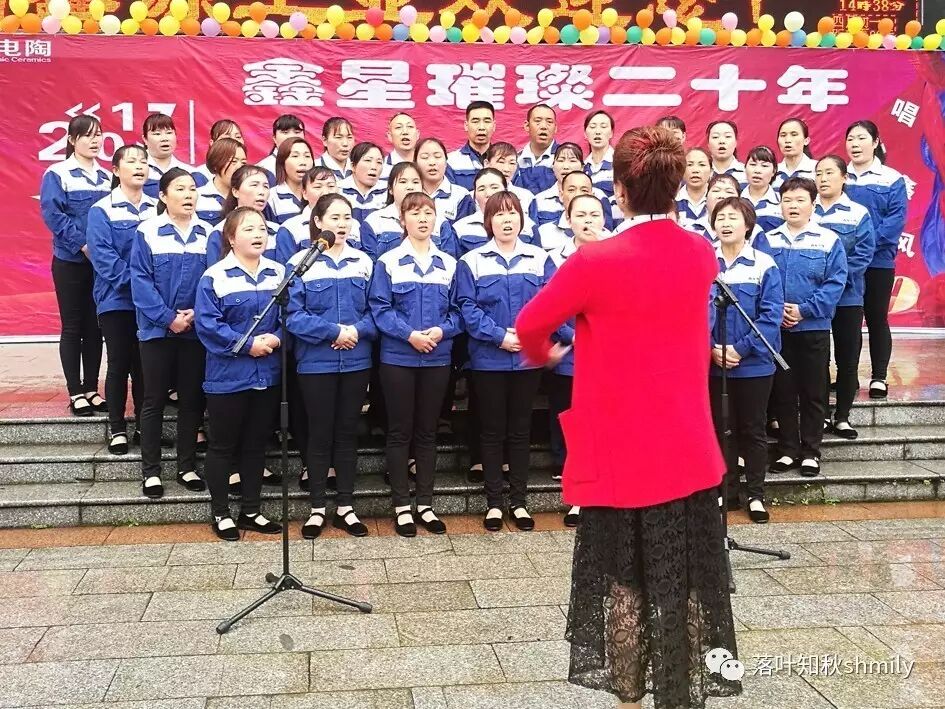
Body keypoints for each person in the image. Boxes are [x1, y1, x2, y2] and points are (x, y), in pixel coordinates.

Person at [515, 125, 741, 709]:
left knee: (623, 582)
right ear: (676, 187)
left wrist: (548, 353)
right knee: (686, 582)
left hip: (621, 452)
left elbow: (531, 324)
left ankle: (630, 696)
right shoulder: (700, 253)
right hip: (687, 448)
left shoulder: (595, 261)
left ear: (618, 190)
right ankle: (680, 691)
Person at [457, 190, 554, 532]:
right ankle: (494, 503)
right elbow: (467, 307)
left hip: (527, 358)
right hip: (489, 359)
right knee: (492, 429)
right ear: (489, 221)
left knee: (520, 430)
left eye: (512, 213)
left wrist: (526, 334)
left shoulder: (539, 258)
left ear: (522, 219)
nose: (507, 219)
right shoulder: (472, 261)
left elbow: (550, 301)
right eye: (499, 214)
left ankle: (519, 502)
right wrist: (499, 336)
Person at [369, 192, 461, 537]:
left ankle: (425, 503)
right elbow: (380, 309)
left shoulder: (449, 263)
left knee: (427, 431)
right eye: (415, 212)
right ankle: (401, 507)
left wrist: (441, 330)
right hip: (398, 358)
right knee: (399, 431)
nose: (423, 219)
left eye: (428, 213)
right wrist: (409, 335)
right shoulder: (388, 261)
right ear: (402, 220)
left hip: (437, 357)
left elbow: (458, 311)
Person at [286, 194, 376, 539]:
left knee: (347, 431)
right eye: (334, 217)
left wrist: (355, 331)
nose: (342, 224)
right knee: (320, 432)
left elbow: (376, 310)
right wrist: (333, 332)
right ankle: (317, 508)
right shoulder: (300, 262)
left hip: (356, 360)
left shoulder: (363, 262)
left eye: (347, 217)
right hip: (316, 363)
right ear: (318, 221)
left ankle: (346, 507)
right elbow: (293, 316)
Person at [194, 207, 283, 541]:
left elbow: (290, 317)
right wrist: (247, 346)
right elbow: (208, 325)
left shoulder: (278, 273)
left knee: (255, 445)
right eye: (248, 229)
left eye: (261, 229)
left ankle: (251, 510)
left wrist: (276, 339)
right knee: (223, 446)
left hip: (267, 374)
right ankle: (221, 513)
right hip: (228, 377)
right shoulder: (215, 276)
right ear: (231, 238)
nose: (258, 234)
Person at [130, 167, 210, 499]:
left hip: (194, 331)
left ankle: (186, 466)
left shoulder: (208, 233)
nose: (189, 194)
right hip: (157, 331)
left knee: (192, 400)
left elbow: (213, 281)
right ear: (163, 196)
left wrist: (196, 314)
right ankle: (151, 472)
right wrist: (167, 318)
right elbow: (140, 281)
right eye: (180, 188)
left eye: (192, 188)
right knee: (154, 399)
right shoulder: (148, 231)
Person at [765, 177, 848, 478]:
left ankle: (811, 451)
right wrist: (777, 311)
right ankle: (788, 448)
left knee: (813, 391)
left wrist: (804, 310)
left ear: (813, 205)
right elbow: (763, 281)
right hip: (778, 330)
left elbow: (836, 282)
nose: (793, 206)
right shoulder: (768, 240)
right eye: (787, 200)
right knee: (783, 391)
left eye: (800, 200)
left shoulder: (828, 240)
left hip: (813, 328)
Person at [708, 197, 783, 524]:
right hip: (713, 363)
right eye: (720, 218)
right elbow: (692, 312)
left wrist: (740, 349)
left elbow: (771, 315)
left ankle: (755, 494)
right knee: (720, 430)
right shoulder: (705, 263)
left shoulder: (764, 264)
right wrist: (710, 347)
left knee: (753, 429)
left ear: (748, 225)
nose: (725, 223)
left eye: (733, 218)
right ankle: (725, 492)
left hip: (754, 364)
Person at [86, 144, 156, 454]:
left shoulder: (157, 208)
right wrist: (141, 286)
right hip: (116, 299)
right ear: (115, 170)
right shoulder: (102, 209)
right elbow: (104, 258)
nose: (139, 166)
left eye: (143, 161)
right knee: (119, 362)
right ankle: (117, 428)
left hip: (149, 303)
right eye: (131, 161)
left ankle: (143, 428)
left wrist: (152, 294)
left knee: (144, 365)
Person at [40, 115, 111, 417]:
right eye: (87, 135)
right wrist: (82, 244)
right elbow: (53, 214)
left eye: (98, 135)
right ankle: (75, 392)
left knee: (95, 326)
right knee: (72, 325)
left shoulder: (106, 176)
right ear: (72, 140)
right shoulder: (58, 173)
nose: (95, 141)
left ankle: (92, 388)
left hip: (100, 264)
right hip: (70, 261)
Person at [547, 192, 611, 528]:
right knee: (575, 424)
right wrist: (576, 336)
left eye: (594, 214)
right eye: (581, 215)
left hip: (608, 355)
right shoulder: (556, 258)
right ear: (568, 220)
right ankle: (578, 496)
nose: (588, 221)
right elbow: (551, 305)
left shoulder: (617, 255)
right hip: (571, 354)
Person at [844, 120, 908, 400]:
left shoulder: (891, 179)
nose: (855, 144)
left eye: (861, 138)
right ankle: (847, 376)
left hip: (878, 261)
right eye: (850, 139)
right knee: (847, 320)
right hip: (845, 262)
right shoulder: (839, 175)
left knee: (876, 317)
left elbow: (895, 220)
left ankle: (879, 376)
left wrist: (865, 246)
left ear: (875, 142)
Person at [815, 156, 875, 439]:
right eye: (819, 173)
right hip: (814, 298)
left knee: (847, 359)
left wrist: (835, 280)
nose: (823, 178)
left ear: (844, 178)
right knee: (817, 359)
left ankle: (842, 417)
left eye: (829, 173)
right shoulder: (807, 210)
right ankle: (820, 416)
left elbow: (863, 253)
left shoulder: (857, 213)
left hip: (848, 296)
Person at [362, 161, 458, 260]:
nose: (410, 187)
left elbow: (448, 260)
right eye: (403, 182)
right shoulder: (374, 221)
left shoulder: (439, 221)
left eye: (415, 182)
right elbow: (370, 262)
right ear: (390, 189)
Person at [276, 165, 363, 264]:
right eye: (318, 187)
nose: (326, 192)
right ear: (304, 193)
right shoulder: (291, 228)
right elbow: (286, 266)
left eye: (331, 186)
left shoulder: (354, 224)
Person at [453, 168, 537, 255]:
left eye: (494, 187)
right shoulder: (460, 228)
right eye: (481, 189)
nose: (488, 194)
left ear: (506, 190)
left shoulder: (528, 226)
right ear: (474, 196)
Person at [208, 165, 279, 264]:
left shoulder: (277, 231)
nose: (262, 192)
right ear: (235, 191)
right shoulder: (220, 232)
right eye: (254, 185)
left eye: (266, 186)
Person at [536, 171, 602, 252]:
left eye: (584, 190)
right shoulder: (544, 233)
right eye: (571, 190)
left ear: (593, 195)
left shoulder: (606, 236)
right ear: (561, 195)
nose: (578, 194)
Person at [415, 137, 472, 223]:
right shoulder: (409, 193)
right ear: (415, 163)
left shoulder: (461, 195)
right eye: (425, 157)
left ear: (446, 162)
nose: (432, 162)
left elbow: (465, 228)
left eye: (437, 157)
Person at [142, 113, 194, 199]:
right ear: (145, 139)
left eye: (169, 133)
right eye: (157, 134)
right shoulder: (136, 170)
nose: (165, 138)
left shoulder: (189, 172)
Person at [195, 138, 247, 224]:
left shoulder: (249, 198)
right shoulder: (197, 197)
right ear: (216, 164)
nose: (239, 167)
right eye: (233, 161)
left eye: (243, 163)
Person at [446, 101, 496, 190]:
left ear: (494, 125)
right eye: (475, 121)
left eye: (487, 121)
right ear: (466, 125)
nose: (481, 127)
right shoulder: (451, 161)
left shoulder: (505, 160)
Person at [267, 137, 314, 225]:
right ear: (282, 162)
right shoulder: (271, 198)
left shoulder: (321, 194)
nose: (303, 162)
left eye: (307, 156)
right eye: (295, 156)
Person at [515, 104, 558, 194]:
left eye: (549, 122)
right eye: (538, 121)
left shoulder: (564, 159)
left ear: (555, 128)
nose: (543, 126)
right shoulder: (515, 160)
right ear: (527, 126)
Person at [339, 142, 388, 223]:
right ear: (353, 166)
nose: (374, 167)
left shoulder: (389, 191)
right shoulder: (338, 190)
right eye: (368, 160)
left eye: (379, 162)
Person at [484, 141, 536, 214]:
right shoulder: (476, 196)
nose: (507, 169)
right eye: (501, 162)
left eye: (512, 163)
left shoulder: (526, 197)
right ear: (487, 164)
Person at [742, 146, 784, 232]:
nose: (757, 170)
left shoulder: (782, 202)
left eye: (764, 166)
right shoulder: (735, 199)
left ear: (774, 171)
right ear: (745, 168)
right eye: (753, 164)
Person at [193, 118, 244, 187]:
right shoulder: (200, 177)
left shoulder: (251, 174)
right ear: (212, 143)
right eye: (227, 137)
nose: (234, 140)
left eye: (238, 137)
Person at [258, 114, 305, 185]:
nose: (291, 136)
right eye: (285, 132)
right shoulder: (262, 168)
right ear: (274, 138)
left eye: (297, 132)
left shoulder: (312, 165)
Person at [774, 118, 816, 190]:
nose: (787, 140)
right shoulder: (772, 172)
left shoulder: (817, 169)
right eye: (783, 135)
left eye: (794, 135)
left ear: (806, 141)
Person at [583, 110, 615, 198]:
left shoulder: (620, 164)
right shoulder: (581, 167)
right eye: (592, 127)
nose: (598, 131)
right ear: (585, 134)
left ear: (611, 133)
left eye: (603, 127)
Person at [707, 120, 746, 188]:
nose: (722, 141)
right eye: (715, 137)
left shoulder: (747, 173)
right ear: (708, 144)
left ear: (736, 142)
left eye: (728, 136)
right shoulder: (700, 172)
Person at [676, 147, 711, 224]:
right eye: (690, 164)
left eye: (702, 165)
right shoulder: (673, 201)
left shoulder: (718, 199)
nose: (695, 170)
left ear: (711, 171)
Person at [381, 112, 419, 182]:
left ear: (417, 134)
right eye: (398, 127)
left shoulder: (427, 165)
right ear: (390, 136)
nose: (405, 132)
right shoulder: (380, 168)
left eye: (410, 127)